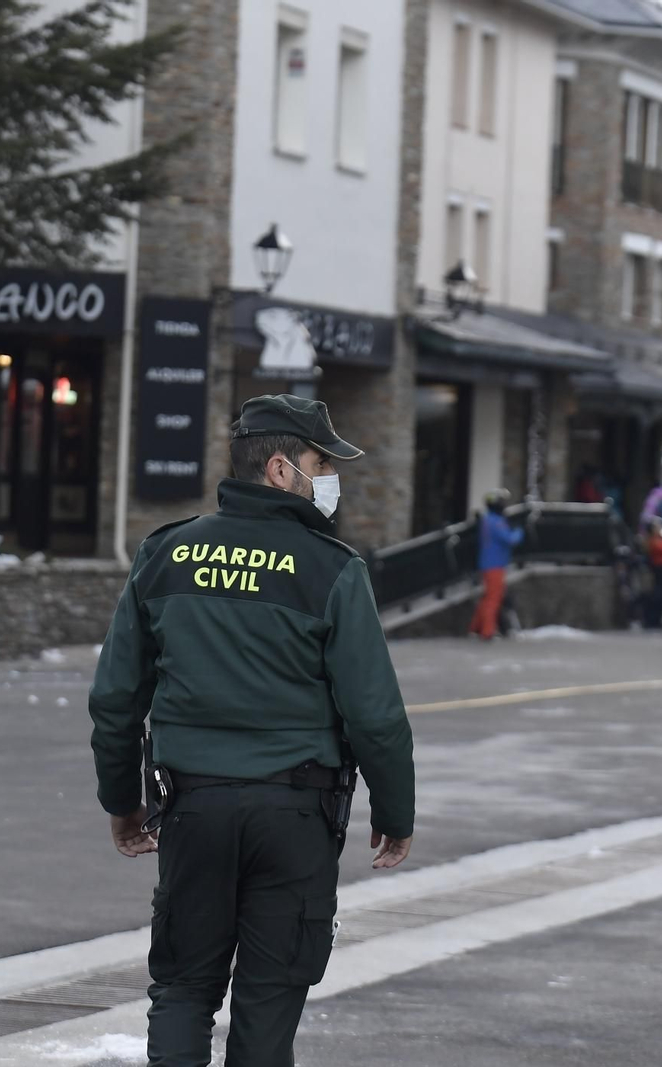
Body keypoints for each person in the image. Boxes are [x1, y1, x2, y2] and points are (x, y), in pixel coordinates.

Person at [89, 394, 416, 1067]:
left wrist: (123, 802)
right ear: (278, 469)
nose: (330, 478)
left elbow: (117, 697)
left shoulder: (165, 554)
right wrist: (395, 809)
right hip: (295, 815)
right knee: (268, 1002)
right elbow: (374, 712)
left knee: (183, 987)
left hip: (195, 808)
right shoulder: (332, 569)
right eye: (320, 463)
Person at [471, 488, 525, 639]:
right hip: (495, 564)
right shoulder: (496, 521)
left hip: (487, 563)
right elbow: (510, 539)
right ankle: (487, 631)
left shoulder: (487, 519)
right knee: (493, 598)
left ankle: (476, 627)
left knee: (487, 597)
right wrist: (520, 531)